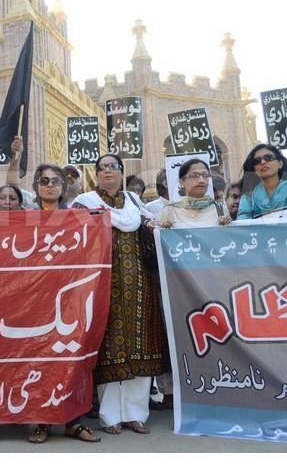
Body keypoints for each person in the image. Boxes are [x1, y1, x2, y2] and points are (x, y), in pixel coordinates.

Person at [72, 154, 168, 436]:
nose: (107, 171)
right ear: (96, 174)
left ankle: (136, 414)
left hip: (139, 285)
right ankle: (110, 415)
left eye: (112, 167)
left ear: (121, 172)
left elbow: (153, 229)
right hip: (104, 285)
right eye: (101, 168)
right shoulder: (85, 203)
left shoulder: (135, 202)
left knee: (140, 345)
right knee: (109, 348)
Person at [25, 163, 101, 444]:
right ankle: (42, 422)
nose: (49, 185)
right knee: (39, 360)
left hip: (70, 299)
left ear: (63, 187)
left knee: (71, 360)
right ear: (36, 186)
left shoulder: (77, 218)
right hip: (35, 300)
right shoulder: (24, 219)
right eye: (43, 180)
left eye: (55, 181)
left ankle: (73, 422)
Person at [236, 144, 287, 220]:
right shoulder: (248, 197)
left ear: (280, 164)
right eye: (257, 161)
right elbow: (242, 226)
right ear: (254, 169)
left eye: (268, 158)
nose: (263, 162)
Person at [156, 159, 231, 228]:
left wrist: (227, 225)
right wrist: (161, 227)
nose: (201, 180)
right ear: (181, 182)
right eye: (194, 176)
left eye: (205, 175)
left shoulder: (220, 210)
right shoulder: (169, 211)